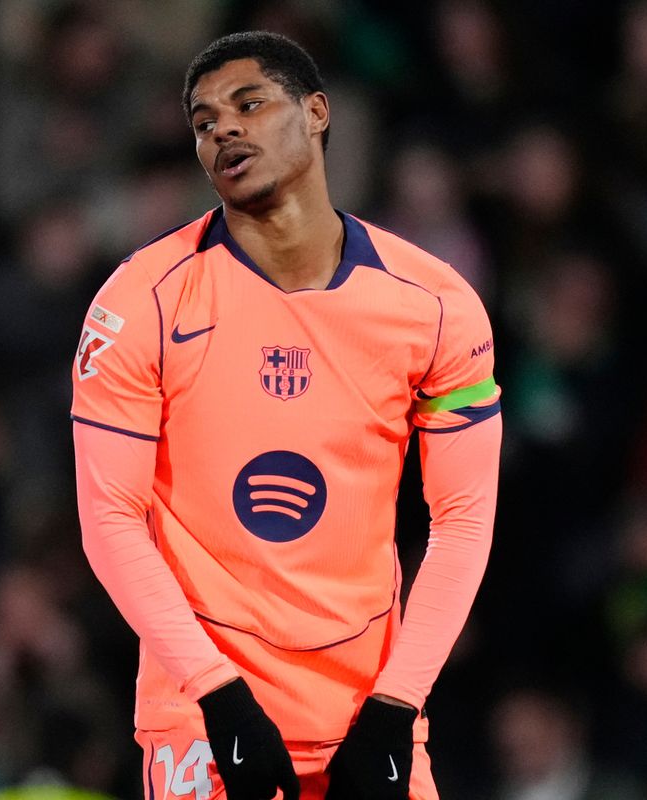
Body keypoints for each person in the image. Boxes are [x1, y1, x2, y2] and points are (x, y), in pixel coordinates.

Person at [71, 31, 501, 800]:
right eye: (203, 123)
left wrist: (399, 704)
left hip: (370, 710)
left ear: (317, 111)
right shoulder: (139, 302)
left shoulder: (438, 308)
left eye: (248, 104)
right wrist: (216, 692)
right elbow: (109, 518)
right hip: (204, 711)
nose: (223, 130)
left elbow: (464, 520)